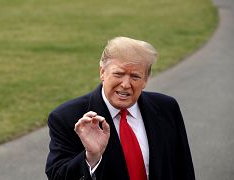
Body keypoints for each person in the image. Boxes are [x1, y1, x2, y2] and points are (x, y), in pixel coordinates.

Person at [45, 37, 195, 180]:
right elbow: (57, 175)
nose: (125, 84)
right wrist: (91, 157)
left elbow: (183, 168)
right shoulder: (67, 117)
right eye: (119, 74)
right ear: (102, 72)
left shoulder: (166, 107)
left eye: (135, 76)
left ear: (146, 80)